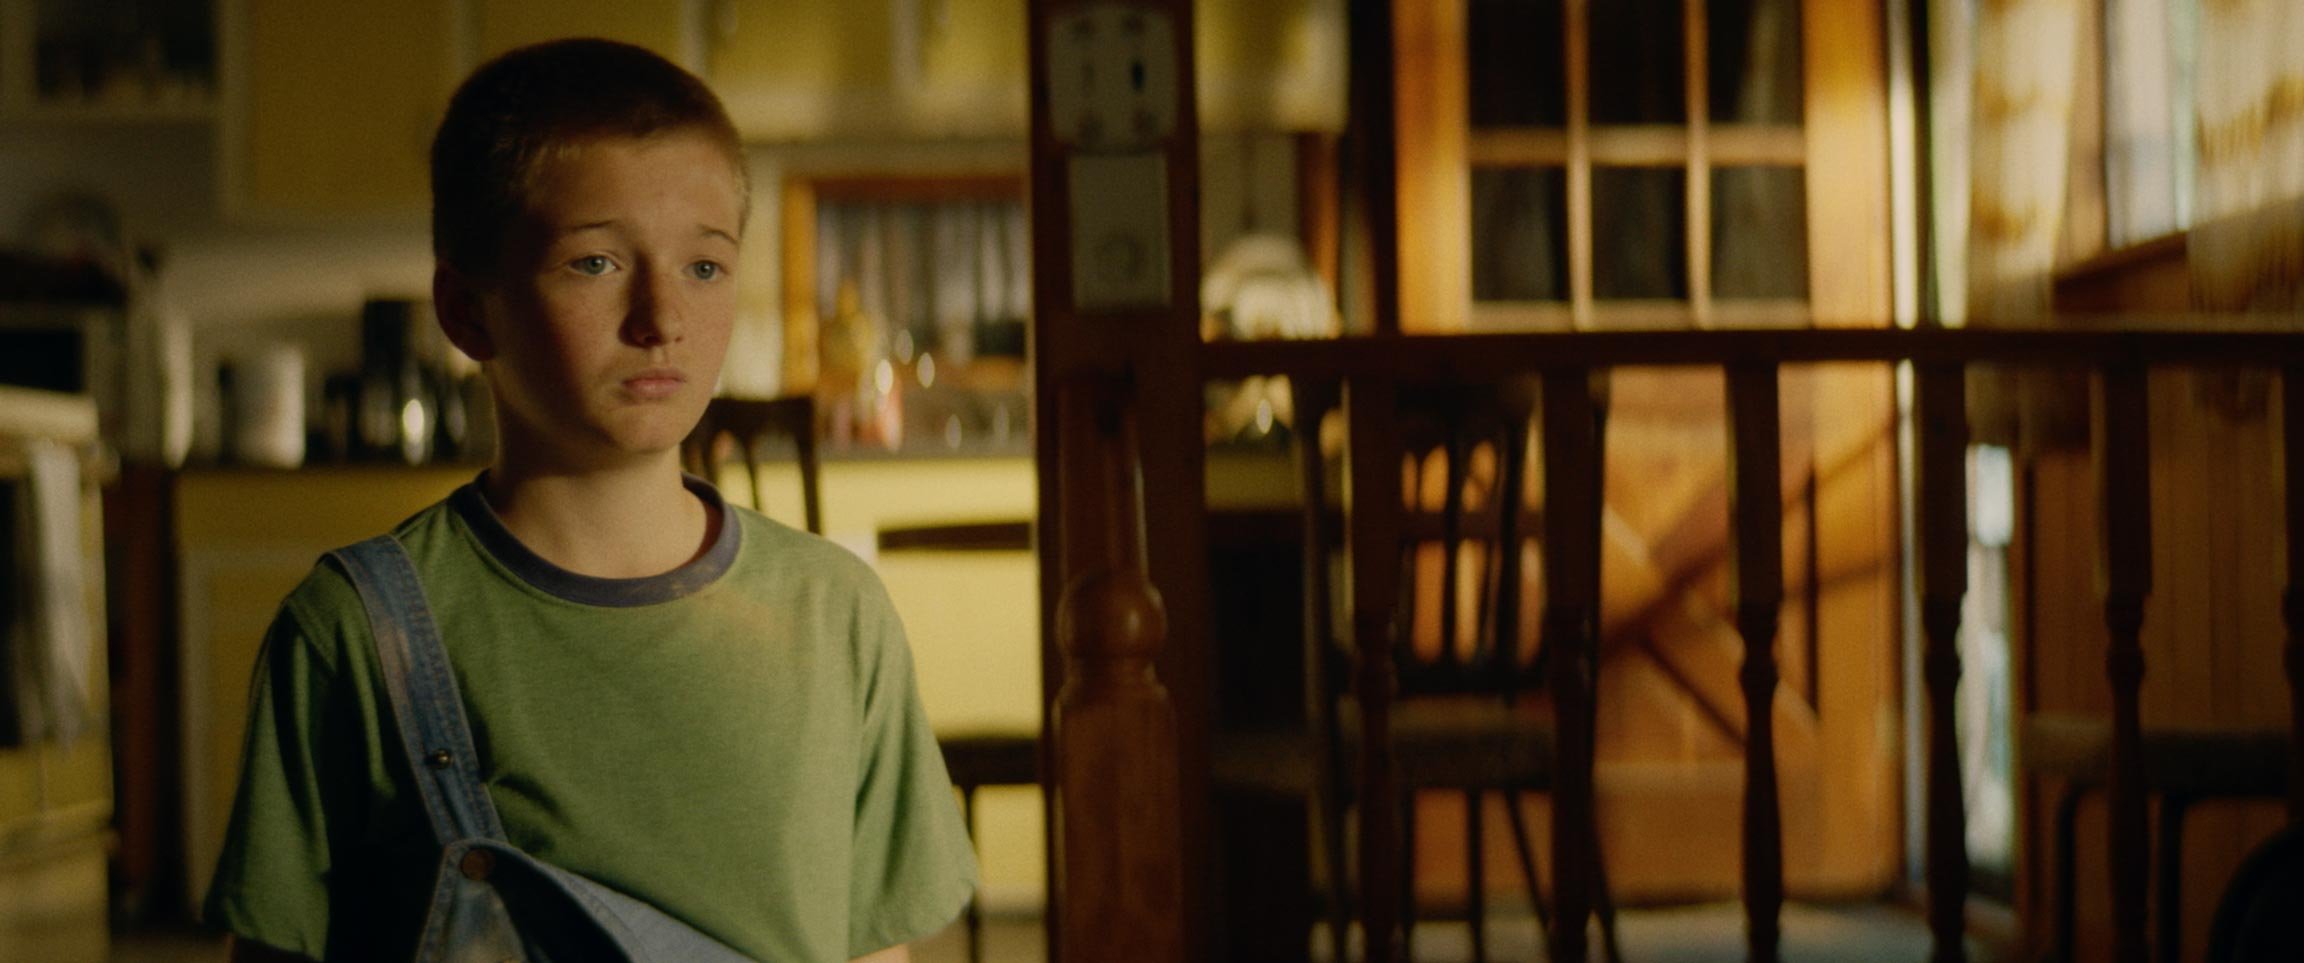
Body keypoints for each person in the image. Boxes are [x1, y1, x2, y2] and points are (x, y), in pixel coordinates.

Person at [204, 38, 978, 962]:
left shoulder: (838, 613)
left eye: (704, 266)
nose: (663, 318)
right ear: (467, 310)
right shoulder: (353, 635)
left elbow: (875, 950)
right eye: (595, 264)